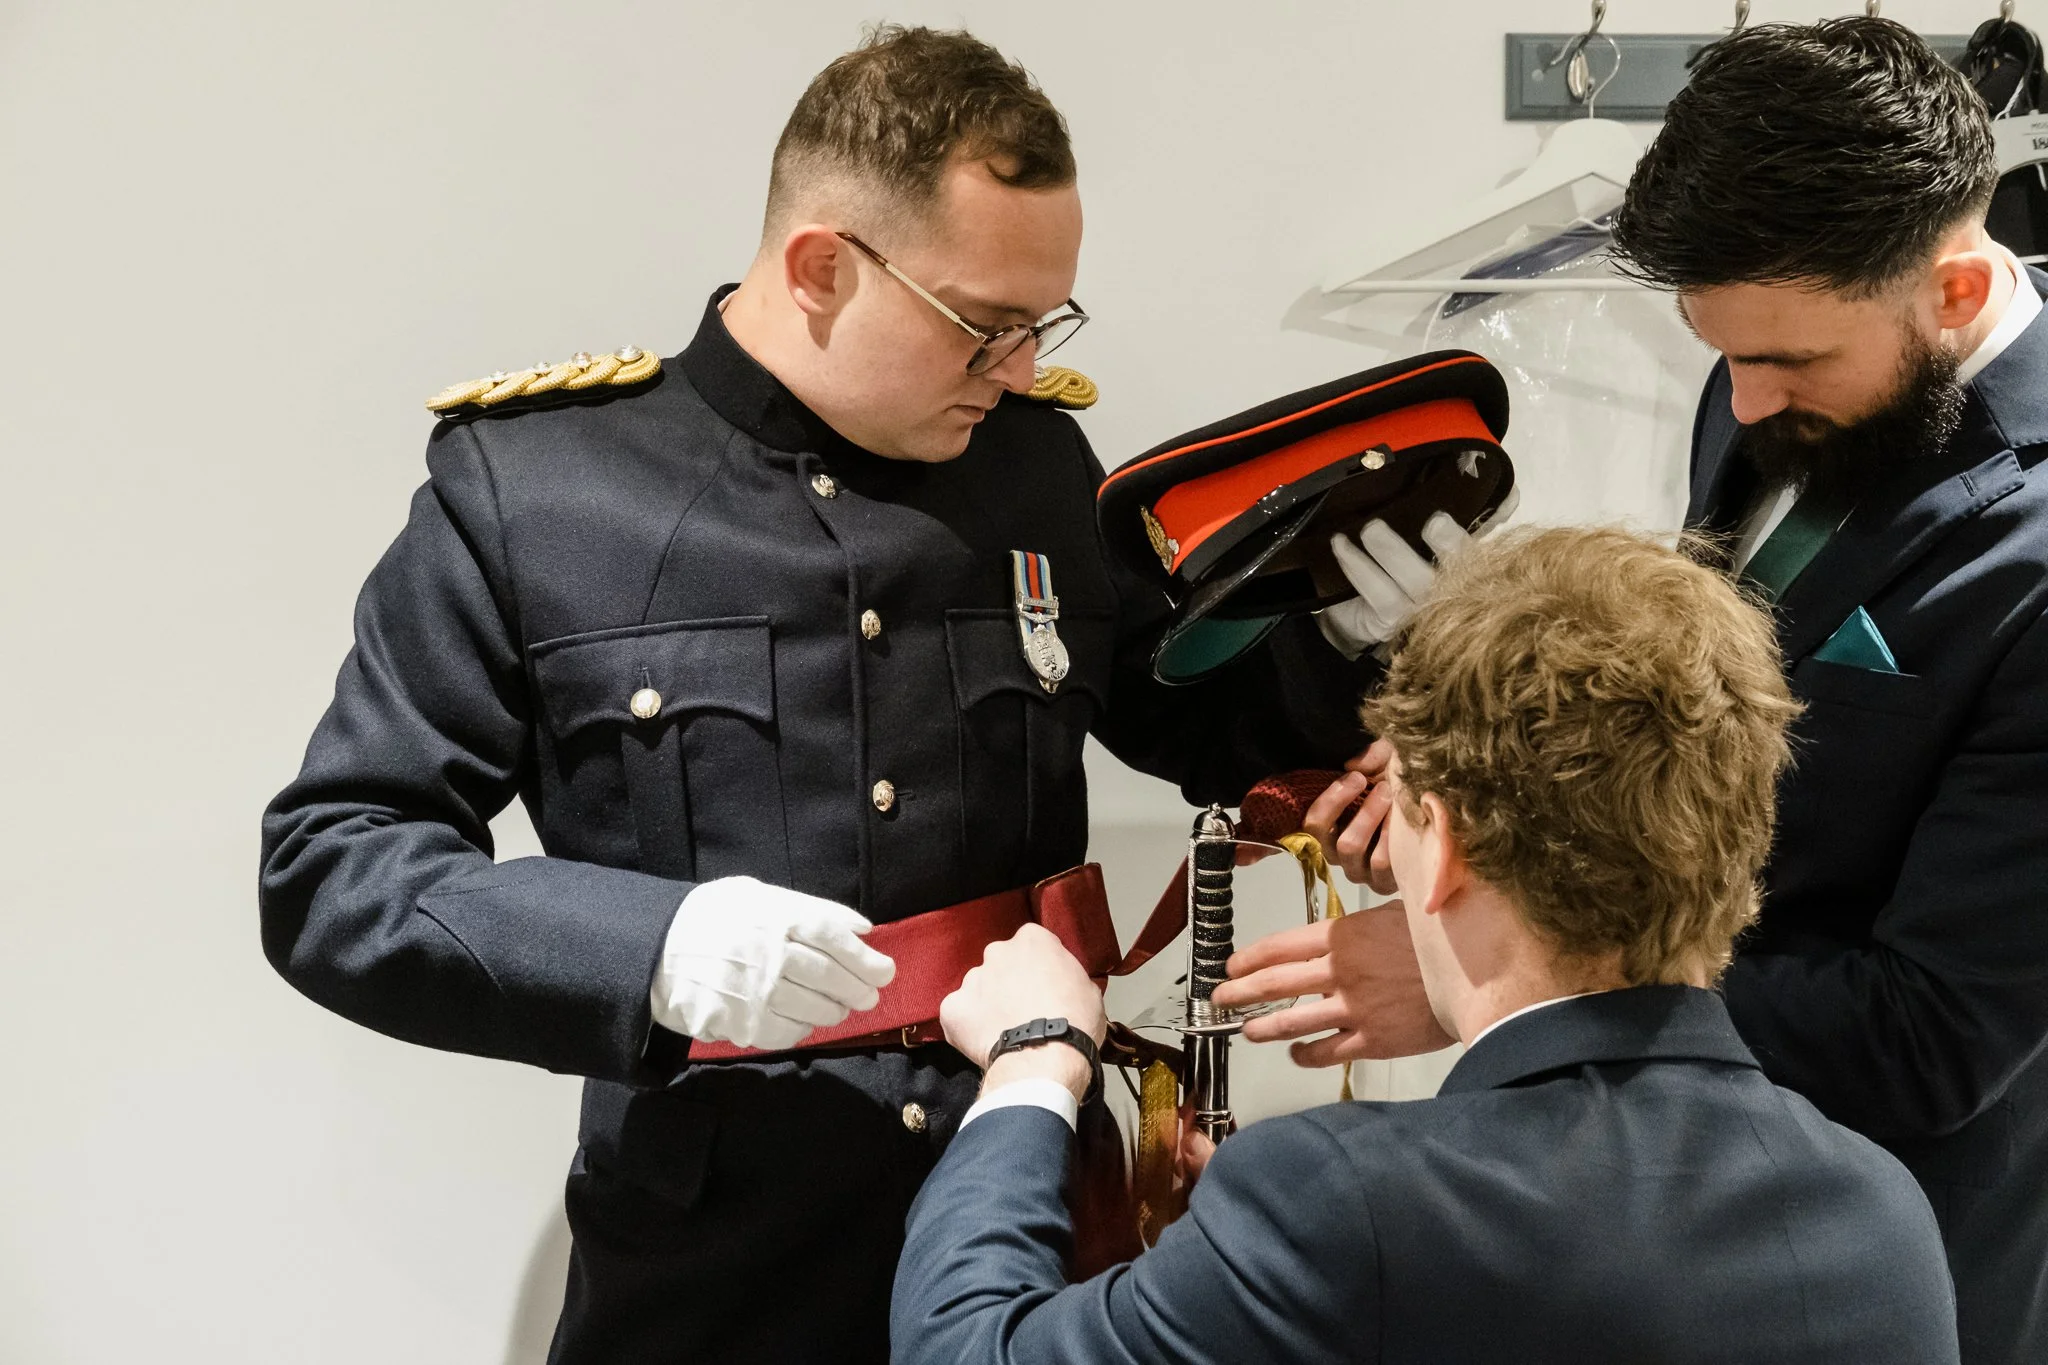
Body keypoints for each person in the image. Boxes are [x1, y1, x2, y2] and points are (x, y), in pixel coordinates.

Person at [258, 25, 1383, 1365]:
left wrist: (1355, 640)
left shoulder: (1034, 471)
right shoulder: (539, 497)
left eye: (1045, 324)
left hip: (1035, 1222)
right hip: (720, 1269)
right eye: (985, 324)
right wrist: (654, 947)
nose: (1022, 369)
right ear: (820, 267)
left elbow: (1203, 718)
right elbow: (335, 870)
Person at [1223, 19, 2048, 1362]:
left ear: (1952, 294)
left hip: (1892, 1271)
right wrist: (1483, 766)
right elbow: (1689, 728)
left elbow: (1931, 1034)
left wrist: (1500, 983)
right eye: (1718, 349)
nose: (1742, 398)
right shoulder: (1772, 380)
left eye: (1789, 363)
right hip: (1641, 1224)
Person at [892, 526, 1958, 1364]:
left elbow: (967, 1350)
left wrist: (1032, 1068)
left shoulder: (1339, 1204)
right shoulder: (1879, 1210)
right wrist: (1260, 1275)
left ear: (1437, 842)